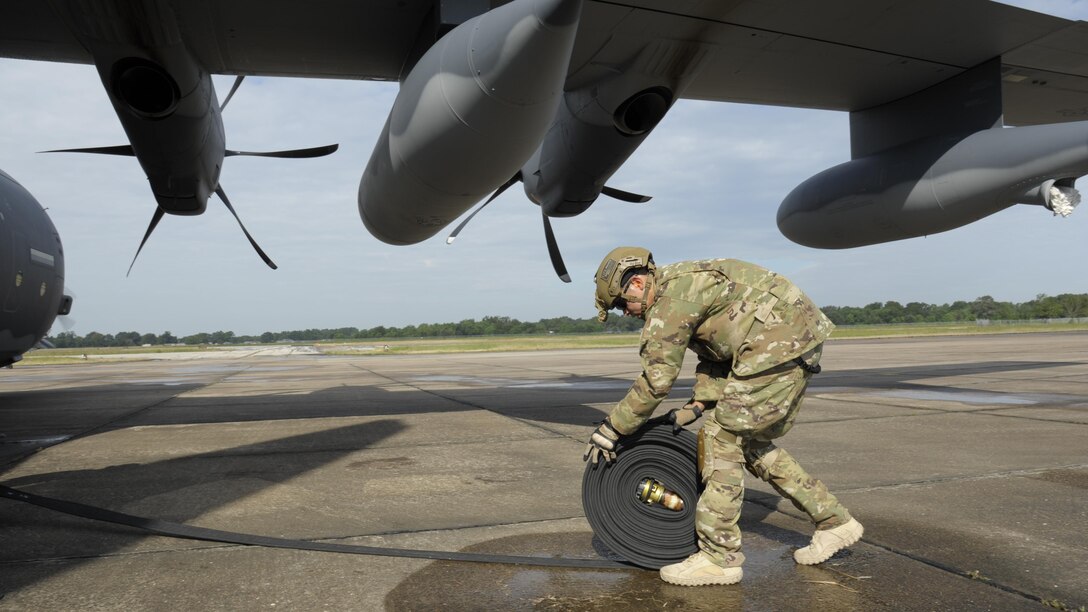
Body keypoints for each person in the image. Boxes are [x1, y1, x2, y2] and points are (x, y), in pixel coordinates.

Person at [583, 246, 863, 586]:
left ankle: (719, 558)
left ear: (638, 284)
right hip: (786, 339)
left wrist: (612, 428)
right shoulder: (681, 286)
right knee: (750, 443)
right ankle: (834, 522)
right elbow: (719, 350)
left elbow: (656, 381)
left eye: (620, 304)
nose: (625, 313)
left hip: (776, 344)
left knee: (721, 437)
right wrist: (698, 405)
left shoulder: (669, 302)